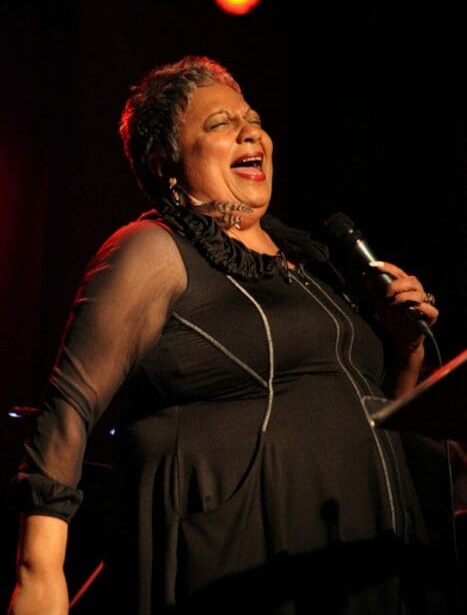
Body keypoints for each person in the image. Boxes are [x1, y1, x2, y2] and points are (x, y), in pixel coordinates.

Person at [7, 55, 452, 614]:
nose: (251, 133)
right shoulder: (154, 250)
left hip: (363, 548)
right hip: (244, 558)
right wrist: (40, 572)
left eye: (254, 120)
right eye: (221, 124)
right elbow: (69, 407)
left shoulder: (309, 262)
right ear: (165, 162)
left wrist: (405, 346)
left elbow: (372, 414)